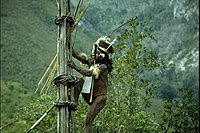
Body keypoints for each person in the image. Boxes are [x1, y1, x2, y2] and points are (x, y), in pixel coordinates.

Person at [67, 36, 116, 133]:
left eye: (96, 53)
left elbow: (89, 73)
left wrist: (75, 67)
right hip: (89, 94)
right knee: (79, 82)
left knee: (88, 121)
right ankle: (74, 103)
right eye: (93, 53)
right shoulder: (91, 62)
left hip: (99, 98)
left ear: (101, 55)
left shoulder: (103, 67)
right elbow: (76, 55)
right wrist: (68, 42)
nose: (93, 55)